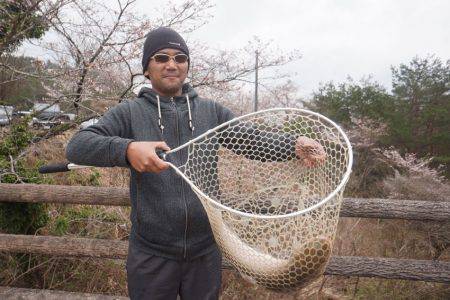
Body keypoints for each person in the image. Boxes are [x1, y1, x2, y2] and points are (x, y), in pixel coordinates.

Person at [66, 27, 325, 300]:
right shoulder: (130, 112)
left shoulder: (211, 112)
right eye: (161, 58)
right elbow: (78, 145)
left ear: (187, 66)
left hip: (205, 252)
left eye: (180, 58)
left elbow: (254, 141)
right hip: (151, 253)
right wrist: (128, 149)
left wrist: (294, 145)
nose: (171, 64)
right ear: (146, 69)